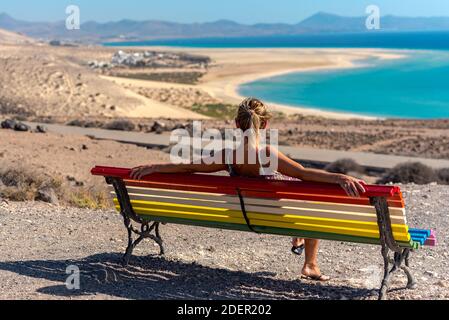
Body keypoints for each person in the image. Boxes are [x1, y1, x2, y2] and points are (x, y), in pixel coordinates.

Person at [131, 97, 366, 282]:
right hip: (279, 216)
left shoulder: (228, 156)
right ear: (265, 124)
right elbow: (304, 173)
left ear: (236, 124)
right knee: (307, 207)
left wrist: (155, 166)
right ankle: (310, 265)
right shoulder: (267, 154)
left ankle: (298, 238)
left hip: (242, 215)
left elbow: (189, 168)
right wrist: (340, 177)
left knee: (289, 198)